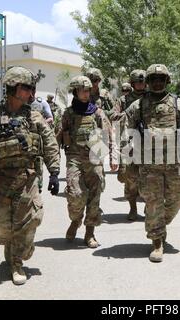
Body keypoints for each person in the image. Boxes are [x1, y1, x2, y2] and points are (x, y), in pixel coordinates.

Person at [0, 66, 60, 285]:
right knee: (0, 228)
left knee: (30, 221)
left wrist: (54, 171)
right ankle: (10, 247)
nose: (30, 93)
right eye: (26, 88)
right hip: (1, 181)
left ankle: (17, 262)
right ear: (13, 88)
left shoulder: (34, 116)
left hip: (28, 179)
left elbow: (51, 144)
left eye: (31, 88)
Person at [126, 64, 180, 263]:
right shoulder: (138, 106)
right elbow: (126, 132)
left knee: (179, 197)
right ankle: (157, 241)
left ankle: (157, 221)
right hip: (149, 166)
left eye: (161, 79)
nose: (157, 82)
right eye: (153, 79)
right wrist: (128, 160)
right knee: (154, 202)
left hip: (175, 163)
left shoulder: (178, 104)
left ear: (167, 81)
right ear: (148, 82)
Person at [61, 75, 118, 248]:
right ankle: (75, 220)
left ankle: (90, 233)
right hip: (75, 159)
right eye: (83, 91)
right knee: (75, 195)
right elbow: (60, 135)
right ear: (75, 92)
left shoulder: (97, 112)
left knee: (94, 198)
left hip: (94, 159)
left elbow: (109, 134)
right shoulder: (68, 114)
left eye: (88, 90)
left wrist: (113, 157)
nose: (86, 94)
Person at [116, 69, 147, 221]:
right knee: (131, 179)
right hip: (130, 141)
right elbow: (113, 114)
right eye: (138, 82)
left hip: (150, 143)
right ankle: (133, 208)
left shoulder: (151, 98)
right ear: (133, 83)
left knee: (150, 178)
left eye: (143, 81)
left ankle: (149, 206)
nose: (141, 84)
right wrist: (123, 115)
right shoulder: (124, 100)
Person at [30, 96, 55, 193]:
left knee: (38, 164)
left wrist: (40, 122)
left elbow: (50, 118)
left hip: (37, 140)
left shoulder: (42, 103)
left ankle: (38, 188)